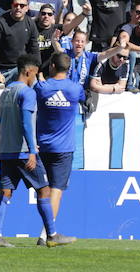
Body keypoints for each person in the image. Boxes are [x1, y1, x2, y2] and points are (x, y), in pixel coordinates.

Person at [0, 54, 76, 248]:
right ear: (28, 71)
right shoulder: (27, 93)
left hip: (5, 150)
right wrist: (31, 150)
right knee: (45, 190)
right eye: (35, 74)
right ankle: (52, 235)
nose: (36, 79)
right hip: (22, 152)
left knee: (5, 193)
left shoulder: (5, 92)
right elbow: (27, 124)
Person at [33, 52, 85, 245]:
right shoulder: (74, 88)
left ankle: (46, 233)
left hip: (42, 146)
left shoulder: (42, 87)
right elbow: (83, 97)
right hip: (63, 148)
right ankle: (46, 234)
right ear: (68, 69)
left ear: (52, 66)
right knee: (56, 189)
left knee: (43, 190)